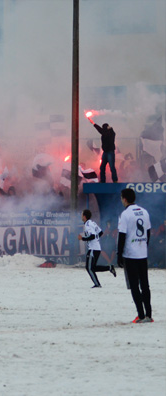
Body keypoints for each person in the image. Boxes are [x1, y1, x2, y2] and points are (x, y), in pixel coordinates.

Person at [117, 188, 152, 323]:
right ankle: (149, 314)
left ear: (124, 199)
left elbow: (122, 236)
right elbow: (148, 232)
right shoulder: (144, 211)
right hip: (142, 254)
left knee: (134, 286)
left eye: (121, 198)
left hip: (130, 255)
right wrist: (144, 245)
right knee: (145, 285)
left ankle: (141, 315)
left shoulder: (125, 214)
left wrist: (119, 255)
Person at [78, 209, 115, 288]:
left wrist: (82, 238)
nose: (81, 216)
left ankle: (97, 284)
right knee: (93, 267)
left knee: (89, 268)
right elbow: (100, 233)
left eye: (81, 215)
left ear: (84, 216)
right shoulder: (93, 222)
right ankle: (110, 267)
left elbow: (93, 236)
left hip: (93, 249)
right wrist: (96, 241)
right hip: (96, 248)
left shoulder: (87, 225)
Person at [86, 117, 118, 183]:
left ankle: (115, 180)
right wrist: (93, 123)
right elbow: (99, 129)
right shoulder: (104, 133)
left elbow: (101, 129)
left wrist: (93, 123)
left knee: (111, 167)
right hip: (105, 152)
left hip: (110, 152)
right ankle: (103, 180)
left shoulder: (111, 133)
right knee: (102, 167)